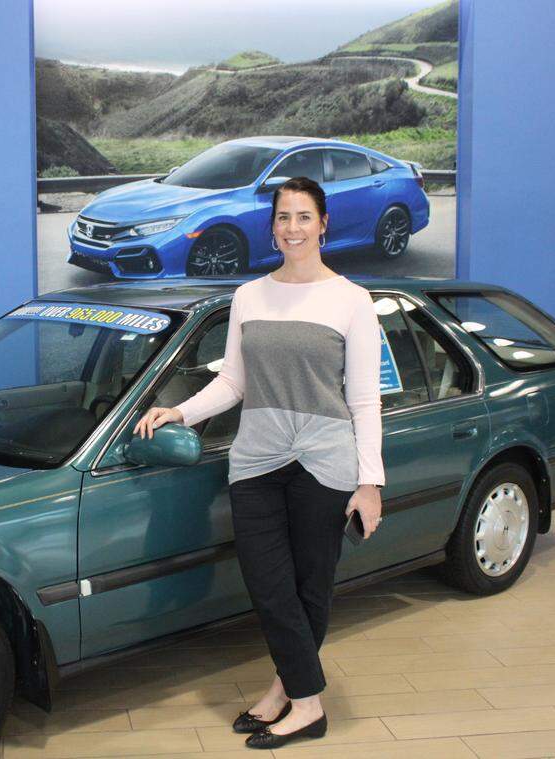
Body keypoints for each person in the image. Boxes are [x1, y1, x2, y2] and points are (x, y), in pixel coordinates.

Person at [135, 176, 383, 750]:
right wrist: (181, 412)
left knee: (308, 587)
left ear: (323, 223)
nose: (292, 228)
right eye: (282, 218)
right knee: (270, 587)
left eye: (303, 216)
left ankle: (296, 700)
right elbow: (234, 382)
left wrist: (370, 483)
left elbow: (364, 400)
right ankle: (303, 697)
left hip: (326, 461)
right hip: (258, 460)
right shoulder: (249, 296)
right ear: (271, 227)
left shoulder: (351, 299)